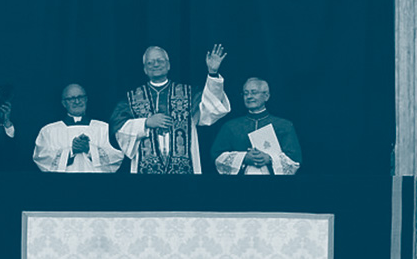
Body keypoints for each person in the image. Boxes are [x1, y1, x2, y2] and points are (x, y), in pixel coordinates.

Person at [110, 44, 231, 174]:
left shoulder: (189, 94)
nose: (155, 65)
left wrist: (212, 73)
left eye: (160, 61)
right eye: (150, 62)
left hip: (184, 167)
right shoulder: (131, 98)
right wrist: (145, 123)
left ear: (168, 65)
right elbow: (118, 128)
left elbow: (212, 107)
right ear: (145, 69)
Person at [211, 77, 302, 175]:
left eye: (254, 92)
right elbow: (216, 156)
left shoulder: (284, 125)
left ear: (266, 96)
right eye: (245, 93)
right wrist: (244, 157)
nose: (249, 96)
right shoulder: (230, 126)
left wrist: (269, 159)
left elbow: (294, 159)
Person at [33, 84, 124, 172]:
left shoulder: (104, 128)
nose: (77, 102)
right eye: (71, 99)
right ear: (64, 103)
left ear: (86, 99)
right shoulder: (49, 131)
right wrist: (71, 151)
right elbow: (42, 158)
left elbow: (117, 157)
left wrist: (89, 149)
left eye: (80, 97)